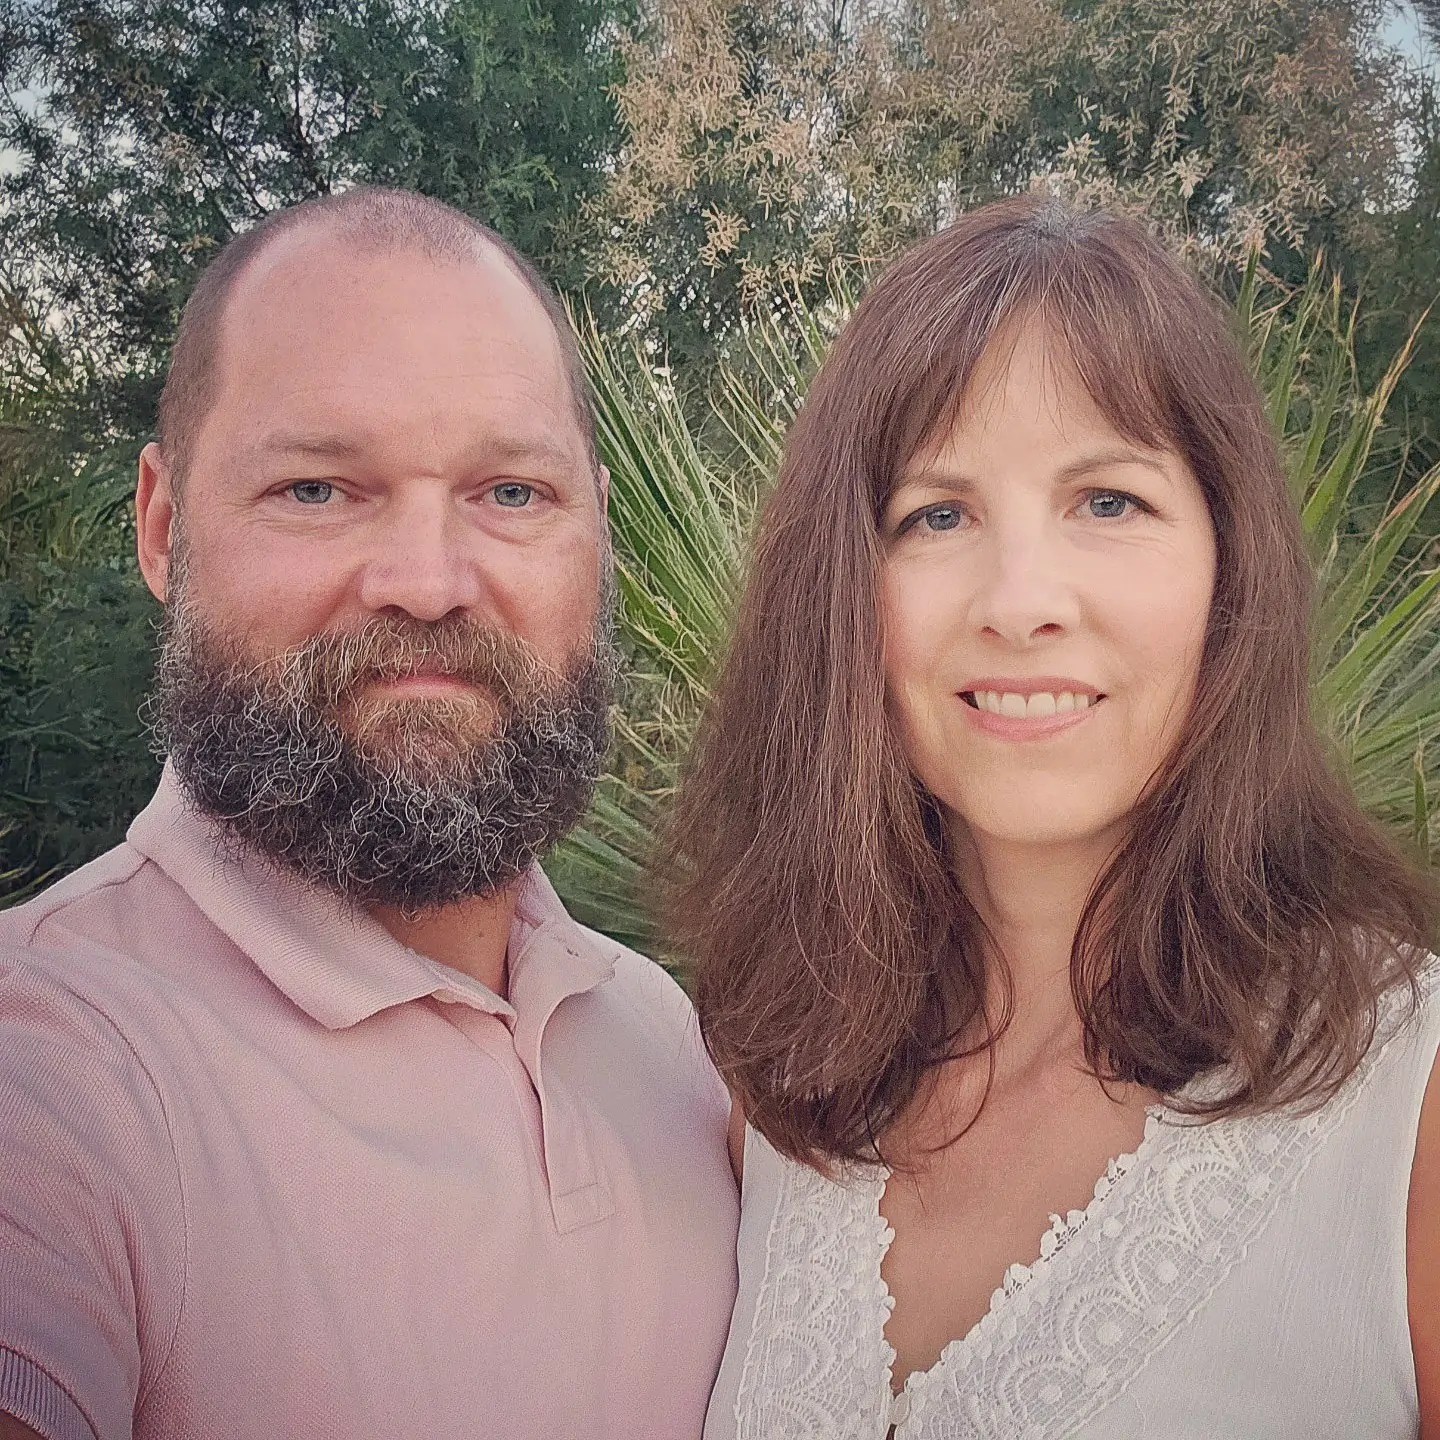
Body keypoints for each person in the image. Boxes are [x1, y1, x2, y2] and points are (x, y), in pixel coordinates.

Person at [668, 195, 1440, 1438]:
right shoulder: (772, 1088)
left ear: (1227, 567)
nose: (1021, 600)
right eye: (938, 515)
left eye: (1109, 501)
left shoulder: (1409, 1096)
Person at [0, 187, 738, 1440]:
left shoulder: (659, 1034)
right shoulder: (56, 1069)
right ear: (164, 527)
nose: (428, 583)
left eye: (511, 493)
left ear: (596, 533)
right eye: (318, 489)